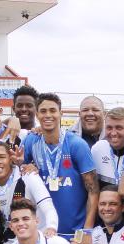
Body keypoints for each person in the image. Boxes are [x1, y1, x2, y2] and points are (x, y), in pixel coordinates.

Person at [23, 92, 99, 235]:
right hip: (43, 232)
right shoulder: (31, 141)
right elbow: (18, 171)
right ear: (37, 115)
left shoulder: (77, 144)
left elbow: (93, 190)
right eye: (43, 111)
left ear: (60, 113)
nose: (48, 115)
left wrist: (87, 231)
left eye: (53, 110)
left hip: (74, 233)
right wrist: (25, 167)